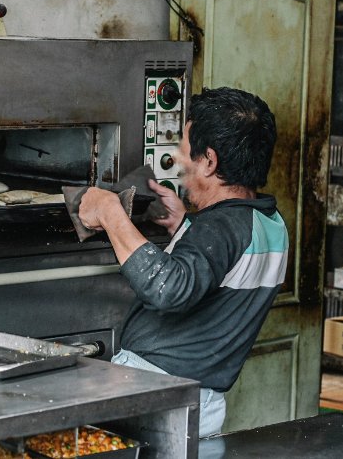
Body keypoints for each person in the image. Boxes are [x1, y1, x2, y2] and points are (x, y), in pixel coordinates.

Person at [78, 86, 288, 438]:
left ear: (209, 160)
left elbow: (168, 289)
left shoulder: (221, 227)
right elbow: (224, 273)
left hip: (158, 397)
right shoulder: (270, 225)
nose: (178, 158)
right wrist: (183, 226)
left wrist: (111, 212)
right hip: (200, 399)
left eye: (184, 147)